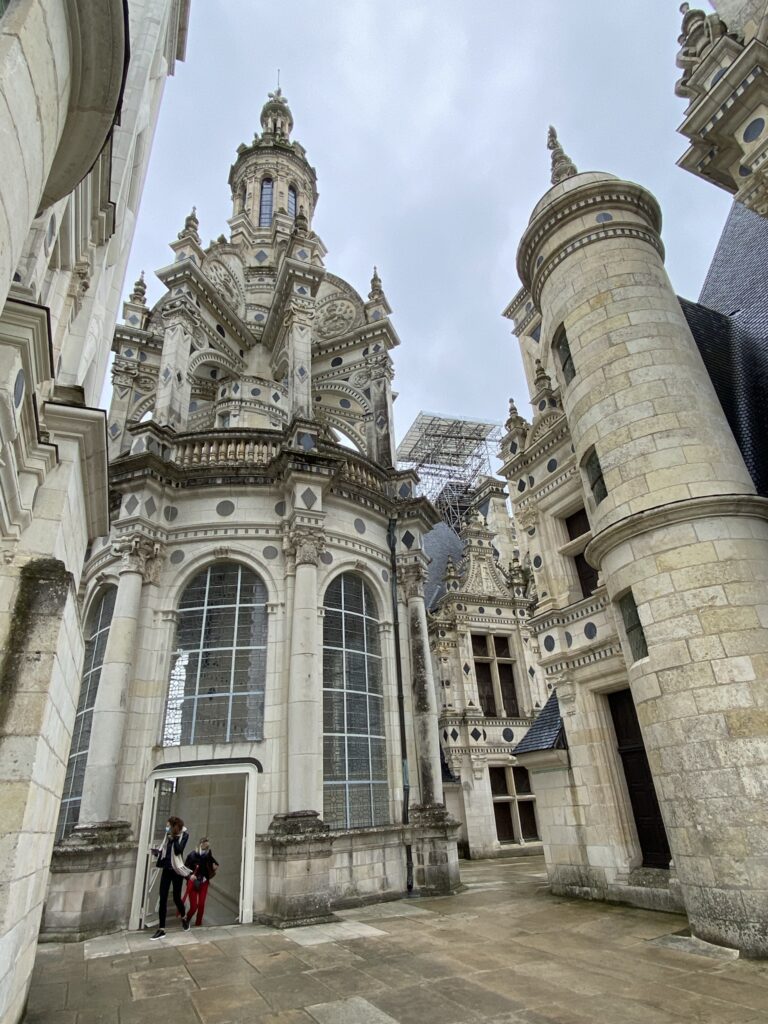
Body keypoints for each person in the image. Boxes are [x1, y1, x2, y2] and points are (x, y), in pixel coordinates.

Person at [150, 815, 192, 939]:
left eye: (168, 826)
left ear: (174, 826)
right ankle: (161, 928)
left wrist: (173, 839)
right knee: (163, 897)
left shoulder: (184, 835)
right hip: (167, 869)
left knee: (176, 898)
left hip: (177, 870)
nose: (166, 828)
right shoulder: (167, 837)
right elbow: (165, 850)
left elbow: (179, 851)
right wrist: (158, 852)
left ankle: (184, 917)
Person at [183, 837, 219, 927]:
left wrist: (215, 867)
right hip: (193, 883)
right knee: (194, 907)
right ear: (200, 844)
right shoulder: (192, 855)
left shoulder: (208, 855)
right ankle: (186, 919)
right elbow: (184, 870)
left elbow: (214, 863)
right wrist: (190, 876)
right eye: (205, 846)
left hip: (204, 883)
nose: (206, 849)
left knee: (201, 905)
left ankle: (198, 924)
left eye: (207, 847)